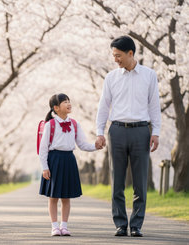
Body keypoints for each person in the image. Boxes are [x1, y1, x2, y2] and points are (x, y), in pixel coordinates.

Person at [95, 36, 161, 237]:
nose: (116, 59)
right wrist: (100, 132)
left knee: (140, 181)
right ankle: (121, 224)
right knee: (117, 180)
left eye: (118, 55)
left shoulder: (149, 75)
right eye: (114, 56)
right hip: (117, 131)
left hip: (142, 130)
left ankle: (137, 225)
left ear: (130, 53)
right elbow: (103, 106)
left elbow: (154, 106)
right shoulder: (111, 78)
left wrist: (156, 132)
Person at [39, 93, 102, 236]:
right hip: (54, 160)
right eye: (64, 102)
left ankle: (64, 226)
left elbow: (82, 144)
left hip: (69, 160)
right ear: (56, 107)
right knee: (53, 197)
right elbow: (43, 148)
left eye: (69, 101)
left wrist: (95, 146)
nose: (68, 103)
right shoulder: (50, 125)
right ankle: (54, 226)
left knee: (66, 196)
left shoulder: (74, 123)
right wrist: (44, 167)